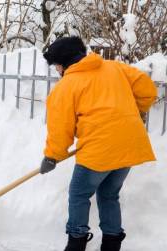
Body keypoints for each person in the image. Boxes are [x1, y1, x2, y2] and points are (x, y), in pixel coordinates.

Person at [40, 36, 157, 251]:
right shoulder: (114, 67)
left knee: (78, 194)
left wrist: (51, 156)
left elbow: (60, 129)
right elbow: (148, 90)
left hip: (99, 150)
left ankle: (76, 242)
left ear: (65, 62)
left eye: (56, 65)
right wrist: (132, 112)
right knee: (109, 194)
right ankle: (111, 244)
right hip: (128, 146)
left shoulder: (66, 86)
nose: (56, 70)